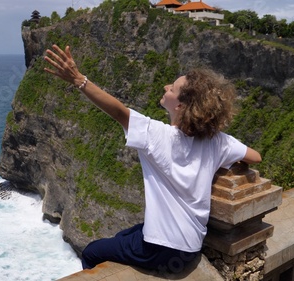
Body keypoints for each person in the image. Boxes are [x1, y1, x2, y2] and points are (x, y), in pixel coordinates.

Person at [44, 44, 262, 273]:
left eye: (172, 88)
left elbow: (118, 111)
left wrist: (79, 79)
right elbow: (255, 157)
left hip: (161, 250)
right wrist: (220, 163)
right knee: (125, 235)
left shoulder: (157, 136)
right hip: (191, 246)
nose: (166, 86)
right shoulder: (217, 141)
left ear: (179, 105)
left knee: (92, 251)